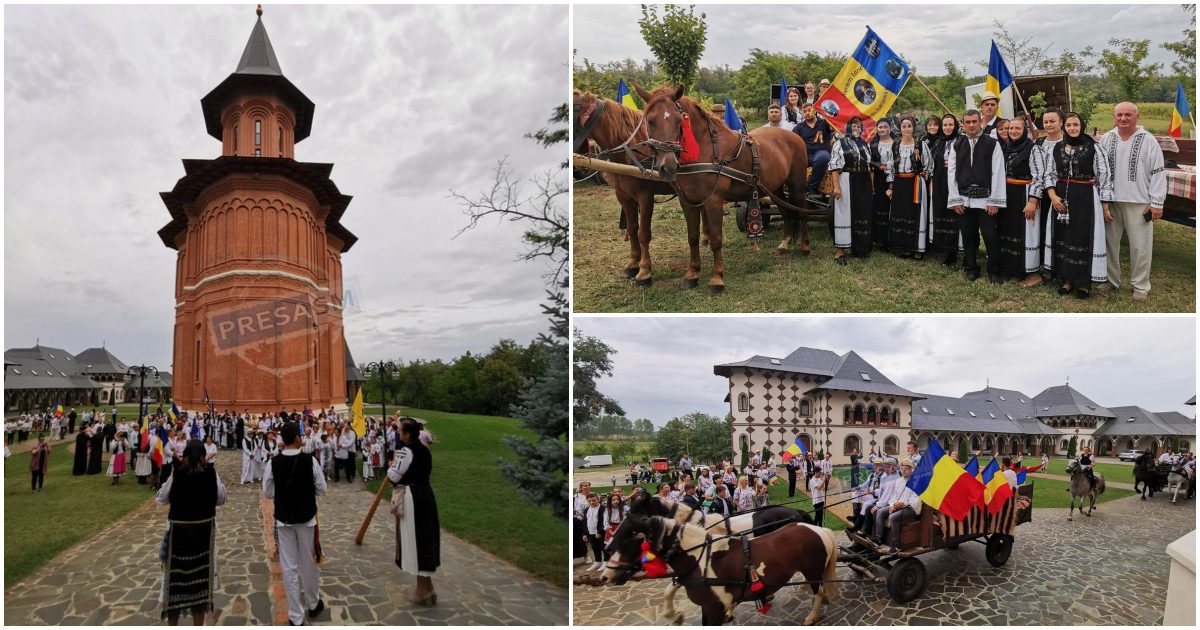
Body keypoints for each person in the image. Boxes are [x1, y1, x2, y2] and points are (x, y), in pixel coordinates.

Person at [1098, 102, 1168, 300]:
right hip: (1111, 201)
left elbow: (1158, 172)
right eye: (1119, 115)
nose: (1123, 118)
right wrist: (1102, 200)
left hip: (1139, 202)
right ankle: (1110, 280)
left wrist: (1156, 202)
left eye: (1128, 114)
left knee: (1140, 246)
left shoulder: (1148, 140)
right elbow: (1100, 171)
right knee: (1110, 243)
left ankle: (1140, 286)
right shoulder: (1106, 138)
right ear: (1114, 116)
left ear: (1137, 116)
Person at [263, 422, 327, 625]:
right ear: (298, 439)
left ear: (282, 440)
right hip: (307, 519)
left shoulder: (273, 462)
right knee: (309, 563)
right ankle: (313, 603)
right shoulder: (310, 461)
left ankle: (295, 616)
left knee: (289, 567)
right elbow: (322, 488)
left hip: (284, 520)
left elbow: (268, 492)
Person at [1045, 112, 1113, 299]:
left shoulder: (1094, 148)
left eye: (1076, 124)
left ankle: (1083, 283)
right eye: (1069, 125)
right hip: (1060, 198)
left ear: (1081, 126)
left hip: (1085, 199)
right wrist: (1052, 196)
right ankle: (1066, 281)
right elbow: (1049, 174)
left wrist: (1105, 206)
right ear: (1064, 127)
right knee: (1064, 236)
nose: (1072, 128)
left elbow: (1105, 176)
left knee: (1082, 237)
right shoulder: (1057, 148)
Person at [158, 439, 226, 625]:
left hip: (179, 534)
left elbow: (162, 497)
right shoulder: (211, 474)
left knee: (175, 583)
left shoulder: (177, 474)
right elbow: (221, 498)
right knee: (201, 583)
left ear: (185, 455)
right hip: (203, 535)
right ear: (204, 456)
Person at [947, 109, 1006, 283]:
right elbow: (952, 173)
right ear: (963, 124)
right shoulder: (956, 144)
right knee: (968, 235)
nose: (971, 125)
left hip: (986, 199)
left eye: (974, 121)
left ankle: (994, 270)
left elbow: (997, 172)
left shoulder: (992, 143)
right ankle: (972, 268)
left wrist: (994, 200)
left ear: (980, 121)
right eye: (968, 122)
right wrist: (955, 199)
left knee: (990, 236)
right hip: (964, 198)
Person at [388, 418, 441, 605]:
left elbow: (393, 475)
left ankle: (422, 591)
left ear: (408, 433)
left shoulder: (405, 451)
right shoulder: (425, 450)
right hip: (426, 495)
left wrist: (391, 465)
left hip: (412, 498)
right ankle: (428, 588)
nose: (399, 434)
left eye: (401, 431)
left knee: (416, 541)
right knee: (424, 539)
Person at [997, 116, 1042, 283]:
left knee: (1026, 232)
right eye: (1011, 129)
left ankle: (1030, 271)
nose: (1013, 131)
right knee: (1008, 229)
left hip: (1024, 194)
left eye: (1017, 129)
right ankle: (1011, 267)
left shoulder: (1032, 149)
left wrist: (1032, 200)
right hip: (1007, 193)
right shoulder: (1005, 148)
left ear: (1024, 131)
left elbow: (1039, 177)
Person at [830, 116, 875, 264]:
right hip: (846, 180)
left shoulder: (864, 144)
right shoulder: (840, 143)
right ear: (847, 127)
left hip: (862, 181)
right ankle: (840, 252)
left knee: (860, 212)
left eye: (858, 126)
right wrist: (836, 186)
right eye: (853, 126)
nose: (856, 128)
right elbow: (834, 166)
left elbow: (868, 165)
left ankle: (857, 246)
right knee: (843, 214)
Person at [886, 116, 928, 258]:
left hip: (914, 182)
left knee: (915, 213)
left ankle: (917, 247)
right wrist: (891, 185)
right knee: (901, 212)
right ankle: (904, 245)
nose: (906, 129)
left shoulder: (920, 145)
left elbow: (929, 165)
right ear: (900, 128)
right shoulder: (895, 145)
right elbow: (891, 166)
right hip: (899, 182)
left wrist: (922, 176)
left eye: (909, 126)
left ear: (913, 127)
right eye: (903, 126)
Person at [929, 114, 963, 267]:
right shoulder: (938, 142)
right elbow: (933, 164)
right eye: (945, 125)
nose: (948, 128)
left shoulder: (961, 141)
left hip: (956, 181)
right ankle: (943, 245)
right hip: (940, 180)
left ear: (955, 125)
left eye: (950, 125)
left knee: (955, 213)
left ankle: (953, 250)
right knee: (941, 210)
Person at [879, 460, 922, 554]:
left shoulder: (916, 482)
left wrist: (902, 504)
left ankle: (896, 546)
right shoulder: (899, 481)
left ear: (911, 470)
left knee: (893, 517)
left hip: (911, 509)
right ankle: (879, 539)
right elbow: (894, 495)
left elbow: (916, 500)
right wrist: (892, 505)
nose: (903, 471)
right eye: (902, 469)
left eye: (906, 469)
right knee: (881, 512)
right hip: (898, 505)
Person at [792, 103, 833, 198]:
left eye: (809, 110)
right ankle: (796, 189)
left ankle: (812, 187)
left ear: (815, 111)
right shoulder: (799, 127)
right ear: (801, 113)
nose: (807, 113)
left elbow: (833, 126)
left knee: (822, 158)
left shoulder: (824, 123)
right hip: (804, 154)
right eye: (804, 111)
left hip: (821, 152)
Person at [869, 118, 896, 249]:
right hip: (879, 178)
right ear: (877, 128)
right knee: (880, 206)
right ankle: (880, 238)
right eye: (880, 127)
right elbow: (871, 162)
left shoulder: (897, 143)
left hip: (896, 177)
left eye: (885, 127)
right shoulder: (873, 144)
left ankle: (893, 238)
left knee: (894, 206)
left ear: (890, 128)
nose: (883, 129)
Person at [583, 493, 605, 571]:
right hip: (590, 532)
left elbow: (604, 521)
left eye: (594, 500)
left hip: (600, 533)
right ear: (587, 501)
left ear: (598, 499)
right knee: (595, 547)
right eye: (590, 501)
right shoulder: (586, 510)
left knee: (603, 547)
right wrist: (585, 533)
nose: (592, 502)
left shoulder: (602, 508)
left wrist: (600, 532)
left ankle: (606, 561)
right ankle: (598, 561)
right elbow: (585, 522)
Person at [572, 481, 592, 562]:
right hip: (578, 519)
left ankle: (586, 555)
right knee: (577, 538)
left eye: (587, 485)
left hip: (589, 519)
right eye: (584, 486)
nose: (586, 487)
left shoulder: (592, 495)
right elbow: (574, 507)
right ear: (581, 487)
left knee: (586, 538)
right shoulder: (576, 496)